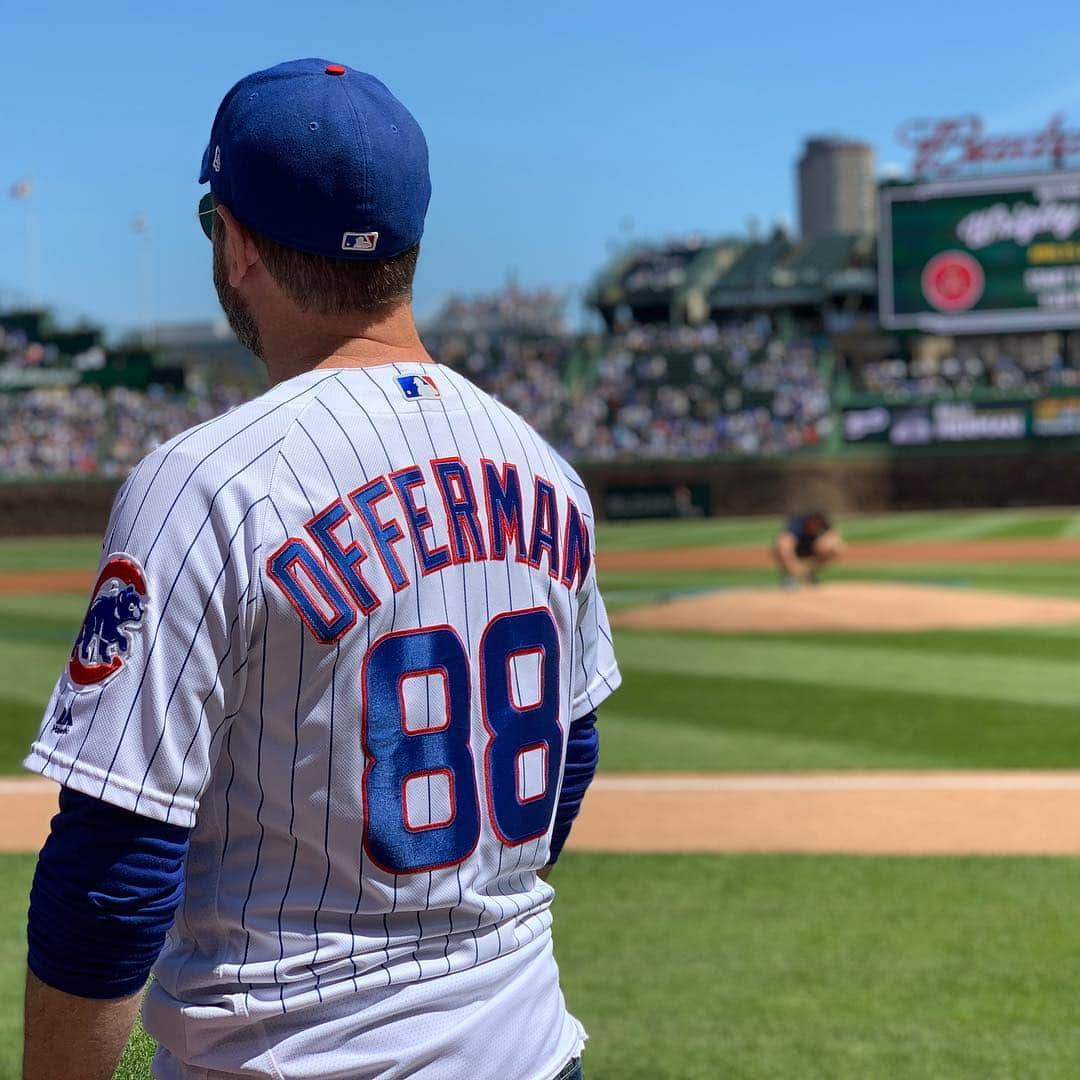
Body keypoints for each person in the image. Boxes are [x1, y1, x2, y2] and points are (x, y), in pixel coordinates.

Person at [22, 59, 620, 1080]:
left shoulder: (205, 481)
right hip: (527, 1047)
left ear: (238, 244)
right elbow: (569, 752)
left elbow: (111, 869)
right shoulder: (544, 469)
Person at [772, 510, 844, 587]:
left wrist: (825, 544)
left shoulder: (823, 522)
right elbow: (785, 544)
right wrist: (794, 567)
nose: (816, 525)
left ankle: (809, 573)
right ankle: (790, 576)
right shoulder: (797, 524)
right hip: (795, 550)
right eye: (814, 522)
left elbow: (836, 540)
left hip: (810, 549)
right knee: (782, 545)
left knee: (832, 547)